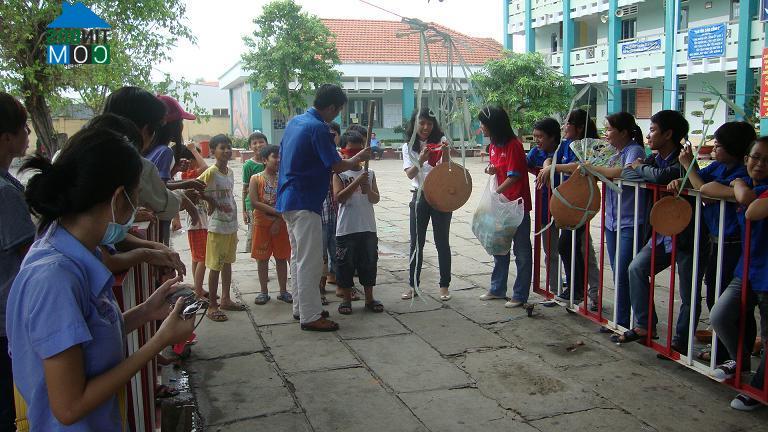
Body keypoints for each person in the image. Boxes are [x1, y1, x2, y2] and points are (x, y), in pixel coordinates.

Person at [6, 127, 194, 431]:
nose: (138, 205)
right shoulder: (54, 278)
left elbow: (86, 336)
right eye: (136, 194)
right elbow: (69, 407)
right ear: (119, 197)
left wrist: (147, 311)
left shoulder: (79, 249)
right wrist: (159, 341)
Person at [276, 84, 370, 331]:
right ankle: (310, 316)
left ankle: (302, 307)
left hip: (289, 198)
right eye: (337, 111)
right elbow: (337, 166)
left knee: (299, 258)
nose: (336, 115)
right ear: (331, 107)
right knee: (310, 261)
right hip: (305, 200)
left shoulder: (296, 122)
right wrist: (358, 158)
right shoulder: (318, 127)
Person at [616, 110, 704, 351]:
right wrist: (643, 168)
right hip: (662, 233)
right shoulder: (654, 159)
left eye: (653, 130)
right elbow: (632, 172)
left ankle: (681, 342)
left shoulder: (683, 160)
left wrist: (642, 167)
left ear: (668, 134)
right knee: (636, 268)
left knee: (688, 292)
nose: (649, 135)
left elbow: (665, 176)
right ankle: (645, 324)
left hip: (688, 234)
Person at [670, 121, 753, 365]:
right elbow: (693, 181)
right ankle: (726, 351)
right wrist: (681, 178)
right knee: (714, 296)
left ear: (734, 147)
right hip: (716, 241)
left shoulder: (743, 174)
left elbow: (704, 188)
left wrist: (687, 165)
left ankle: (737, 355)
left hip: (735, 245)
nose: (714, 148)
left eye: (719, 144)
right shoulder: (717, 166)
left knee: (734, 304)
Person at [704, 136, 768, 410]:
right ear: (746, 159)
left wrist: (738, 184)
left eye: (767, 160)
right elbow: (706, 187)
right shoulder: (751, 186)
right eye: (755, 157)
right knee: (720, 315)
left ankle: (759, 389)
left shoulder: (755, 190)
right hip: (748, 269)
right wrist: (738, 187)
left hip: (766, 275)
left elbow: (752, 209)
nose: (760, 164)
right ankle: (739, 361)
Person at [102, 86, 201, 229]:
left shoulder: (74, 151)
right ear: (145, 128)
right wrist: (184, 199)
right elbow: (159, 198)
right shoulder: (134, 163)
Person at [537, 109, 601, 310]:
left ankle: (587, 292)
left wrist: (554, 168)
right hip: (565, 204)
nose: (564, 127)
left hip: (580, 204)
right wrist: (548, 164)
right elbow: (549, 157)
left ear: (579, 127)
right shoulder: (565, 145)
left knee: (578, 248)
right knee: (568, 247)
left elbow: (585, 167)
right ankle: (574, 290)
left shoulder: (589, 147)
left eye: (568, 124)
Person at [587, 112, 647, 328]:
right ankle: (632, 319)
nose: (606, 133)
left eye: (610, 129)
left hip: (630, 220)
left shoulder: (635, 150)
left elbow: (622, 172)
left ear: (623, 131)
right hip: (612, 220)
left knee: (624, 273)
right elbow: (604, 170)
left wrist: (595, 169)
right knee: (617, 271)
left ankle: (624, 322)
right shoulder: (611, 152)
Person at [0, 92, 35, 432]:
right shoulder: (6, 193)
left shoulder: (9, 185)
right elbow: (32, 258)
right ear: (7, 138)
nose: (29, 134)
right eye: (25, 128)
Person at [476, 106, 532, 308]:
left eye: (483, 123)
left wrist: (495, 193)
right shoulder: (494, 146)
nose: (481, 127)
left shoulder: (514, 145)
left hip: (516, 205)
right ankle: (497, 288)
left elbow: (514, 176)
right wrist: (491, 169)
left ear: (494, 125)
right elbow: (499, 169)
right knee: (499, 247)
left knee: (522, 251)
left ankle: (520, 294)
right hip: (501, 206)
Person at [402, 107, 452, 301]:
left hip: (440, 197)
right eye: (421, 122)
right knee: (416, 243)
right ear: (415, 123)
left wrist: (446, 154)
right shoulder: (409, 146)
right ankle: (413, 285)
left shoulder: (441, 142)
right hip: (419, 196)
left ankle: (444, 286)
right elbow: (410, 174)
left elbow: (448, 171)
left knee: (442, 242)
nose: (425, 127)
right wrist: (421, 161)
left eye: (429, 123)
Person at [333, 130, 383, 314]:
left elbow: (375, 199)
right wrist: (355, 183)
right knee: (345, 264)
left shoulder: (370, 174)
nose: (355, 156)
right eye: (351, 152)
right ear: (344, 152)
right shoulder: (339, 174)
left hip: (367, 226)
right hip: (347, 228)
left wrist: (367, 188)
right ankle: (346, 298)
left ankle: (369, 297)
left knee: (369, 262)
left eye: (359, 151)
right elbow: (339, 198)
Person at [197, 134, 244, 322]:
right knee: (215, 265)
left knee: (227, 263)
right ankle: (212, 305)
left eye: (229, 147)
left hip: (231, 224)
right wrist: (210, 201)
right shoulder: (211, 172)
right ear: (213, 151)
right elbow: (194, 188)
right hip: (217, 226)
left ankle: (225, 299)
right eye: (222, 147)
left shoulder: (230, 172)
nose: (227, 151)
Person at [145, 95, 197, 245]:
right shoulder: (165, 151)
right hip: (158, 219)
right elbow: (160, 189)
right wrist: (186, 184)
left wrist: (173, 171)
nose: (181, 126)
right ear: (172, 125)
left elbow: (154, 181)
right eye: (180, 122)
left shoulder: (152, 149)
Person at [249, 144, 291, 305]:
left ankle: (283, 291)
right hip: (261, 224)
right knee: (262, 258)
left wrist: (278, 219)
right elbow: (254, 202)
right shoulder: (256, 179)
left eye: (280, 156)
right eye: (275, 156)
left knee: (281, 257)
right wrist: (277, 214)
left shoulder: (284, 178)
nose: (279, 160)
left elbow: (286, 201)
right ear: (265, 160)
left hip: (281, 224)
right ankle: (263, 291)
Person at [527, 117, 562, 296]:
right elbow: (523, 165)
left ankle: (588, 291)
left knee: (579, 251)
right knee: (551, 253)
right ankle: (555, 291)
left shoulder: (565, 152)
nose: (537, 141)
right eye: (535, 136)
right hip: (545, 211)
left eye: (540, 136)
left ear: (553, 137)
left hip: (567, 209)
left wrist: (549, 165)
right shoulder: (535, 153)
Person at [242, 131, 268, 253]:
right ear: (250, 146)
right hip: (253, 206)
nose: (258, 145)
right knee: (255, 234)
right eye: (254, 143)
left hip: (270, 203)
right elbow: (244, 189)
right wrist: (244, 211)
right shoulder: (248, 165)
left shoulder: (271, 161)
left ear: (266, 144)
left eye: (261, 142)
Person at [324, 122, 342, 290]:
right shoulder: (317, 154)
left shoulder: (340, 157)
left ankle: (336, 280)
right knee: (321, 251)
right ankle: (320, 287)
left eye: (334, 134)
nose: (331, 137)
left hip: (337, 209)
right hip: (321, 210)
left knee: (337, 249)